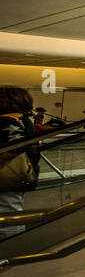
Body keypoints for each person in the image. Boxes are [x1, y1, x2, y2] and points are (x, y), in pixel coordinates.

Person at [0, 88, 39, 237]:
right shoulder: (24, 120)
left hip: (6, 178)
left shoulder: (8, 121)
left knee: (6, 218)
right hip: (17, 178)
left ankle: (9, 253)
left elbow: (13, 148)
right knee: (10, 213)